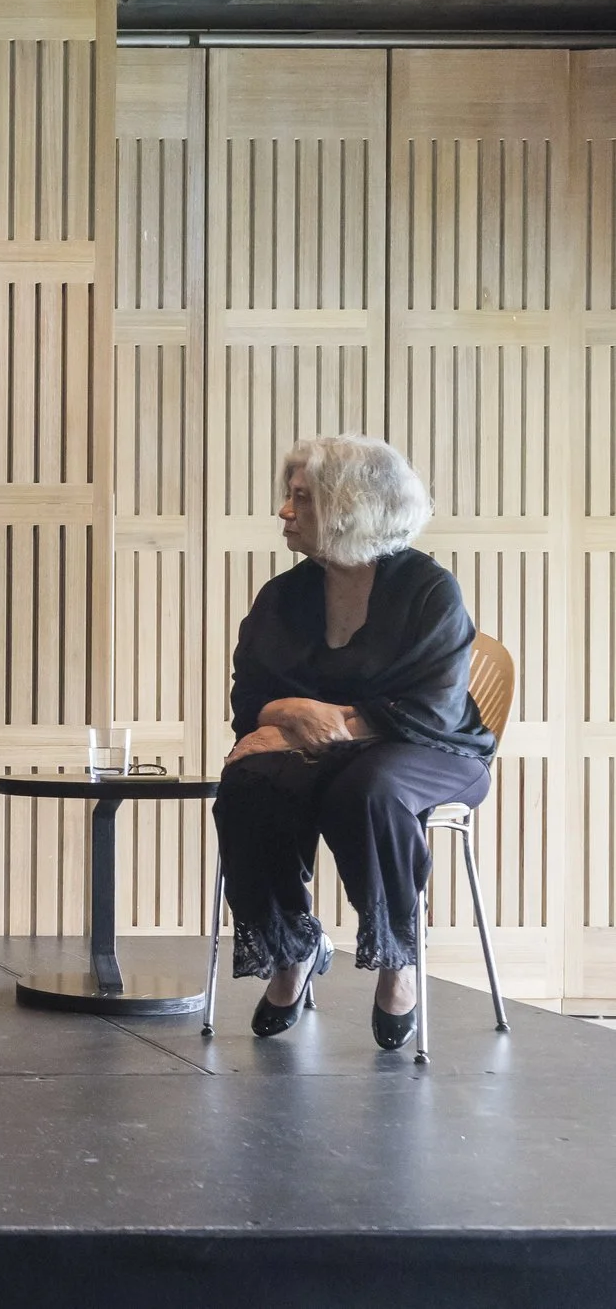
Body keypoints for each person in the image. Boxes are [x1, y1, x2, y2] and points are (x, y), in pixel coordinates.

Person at [214, 435, 492, 1050]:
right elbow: (250, 697)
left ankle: (398, 958)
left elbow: (432, 709)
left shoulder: (429, 589)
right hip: (329, 754)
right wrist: (291, 711)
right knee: (249, 783)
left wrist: (315, 721)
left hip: (433, 749)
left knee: (370, 788)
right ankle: (292, 948)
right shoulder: (283, 595)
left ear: (350, 507)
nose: (285, 511)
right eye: (289, 496)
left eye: (303, 499)